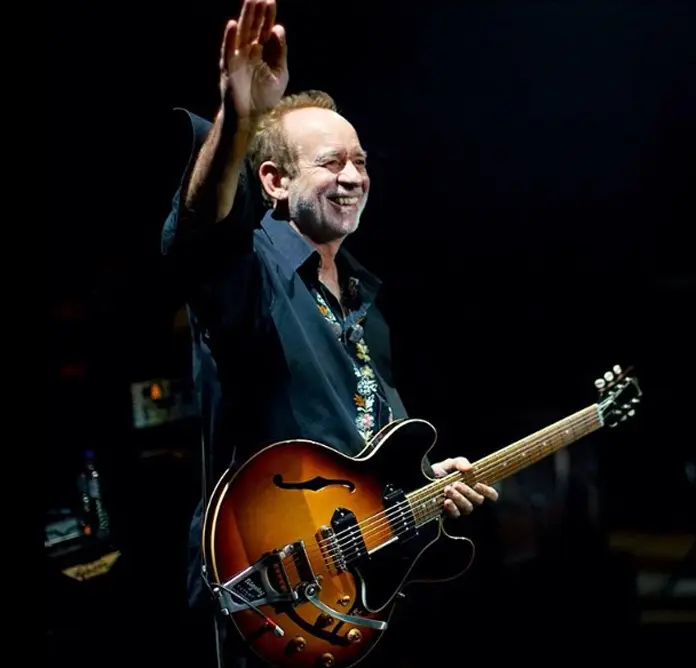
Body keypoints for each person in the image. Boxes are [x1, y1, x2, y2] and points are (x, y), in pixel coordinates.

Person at [160, 0, 499, 666]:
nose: (353, 177)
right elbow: (202, 228)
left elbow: (363, 458)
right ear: (274, 181)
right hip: (264, 590)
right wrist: (238, 119)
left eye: (360, 161)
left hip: (346, 608)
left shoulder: (367, 303)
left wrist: (426, 484)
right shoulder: (249, 266)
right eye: (331, 163)